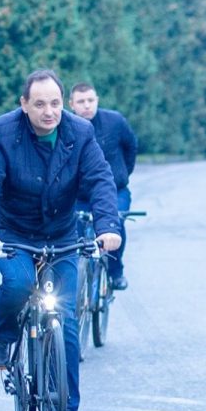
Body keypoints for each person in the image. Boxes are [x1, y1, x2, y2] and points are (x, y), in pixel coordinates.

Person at [0, 70, 122, 411]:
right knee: (20, 283)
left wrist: (108, 227)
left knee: (66, 319)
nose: (49, 111)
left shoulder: (80, 133)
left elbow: (100, 179)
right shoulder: (4, 132)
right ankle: (4, 335)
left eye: (55, 103)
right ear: (24, 105)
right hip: (13, 233)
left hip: (61, 235)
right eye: (39, 104)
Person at [68, 82, 139, 289]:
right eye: (81, 101)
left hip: (115, 190)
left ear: (97, 100)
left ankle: (116, 272)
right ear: (71, 104)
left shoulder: (115, 121)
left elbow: (131, 146)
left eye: (91, 100)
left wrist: (122, 173)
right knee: (73, 234)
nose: (87, 105)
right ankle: (77, 278)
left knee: (115, 223)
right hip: (79, 195)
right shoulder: (65, 126)